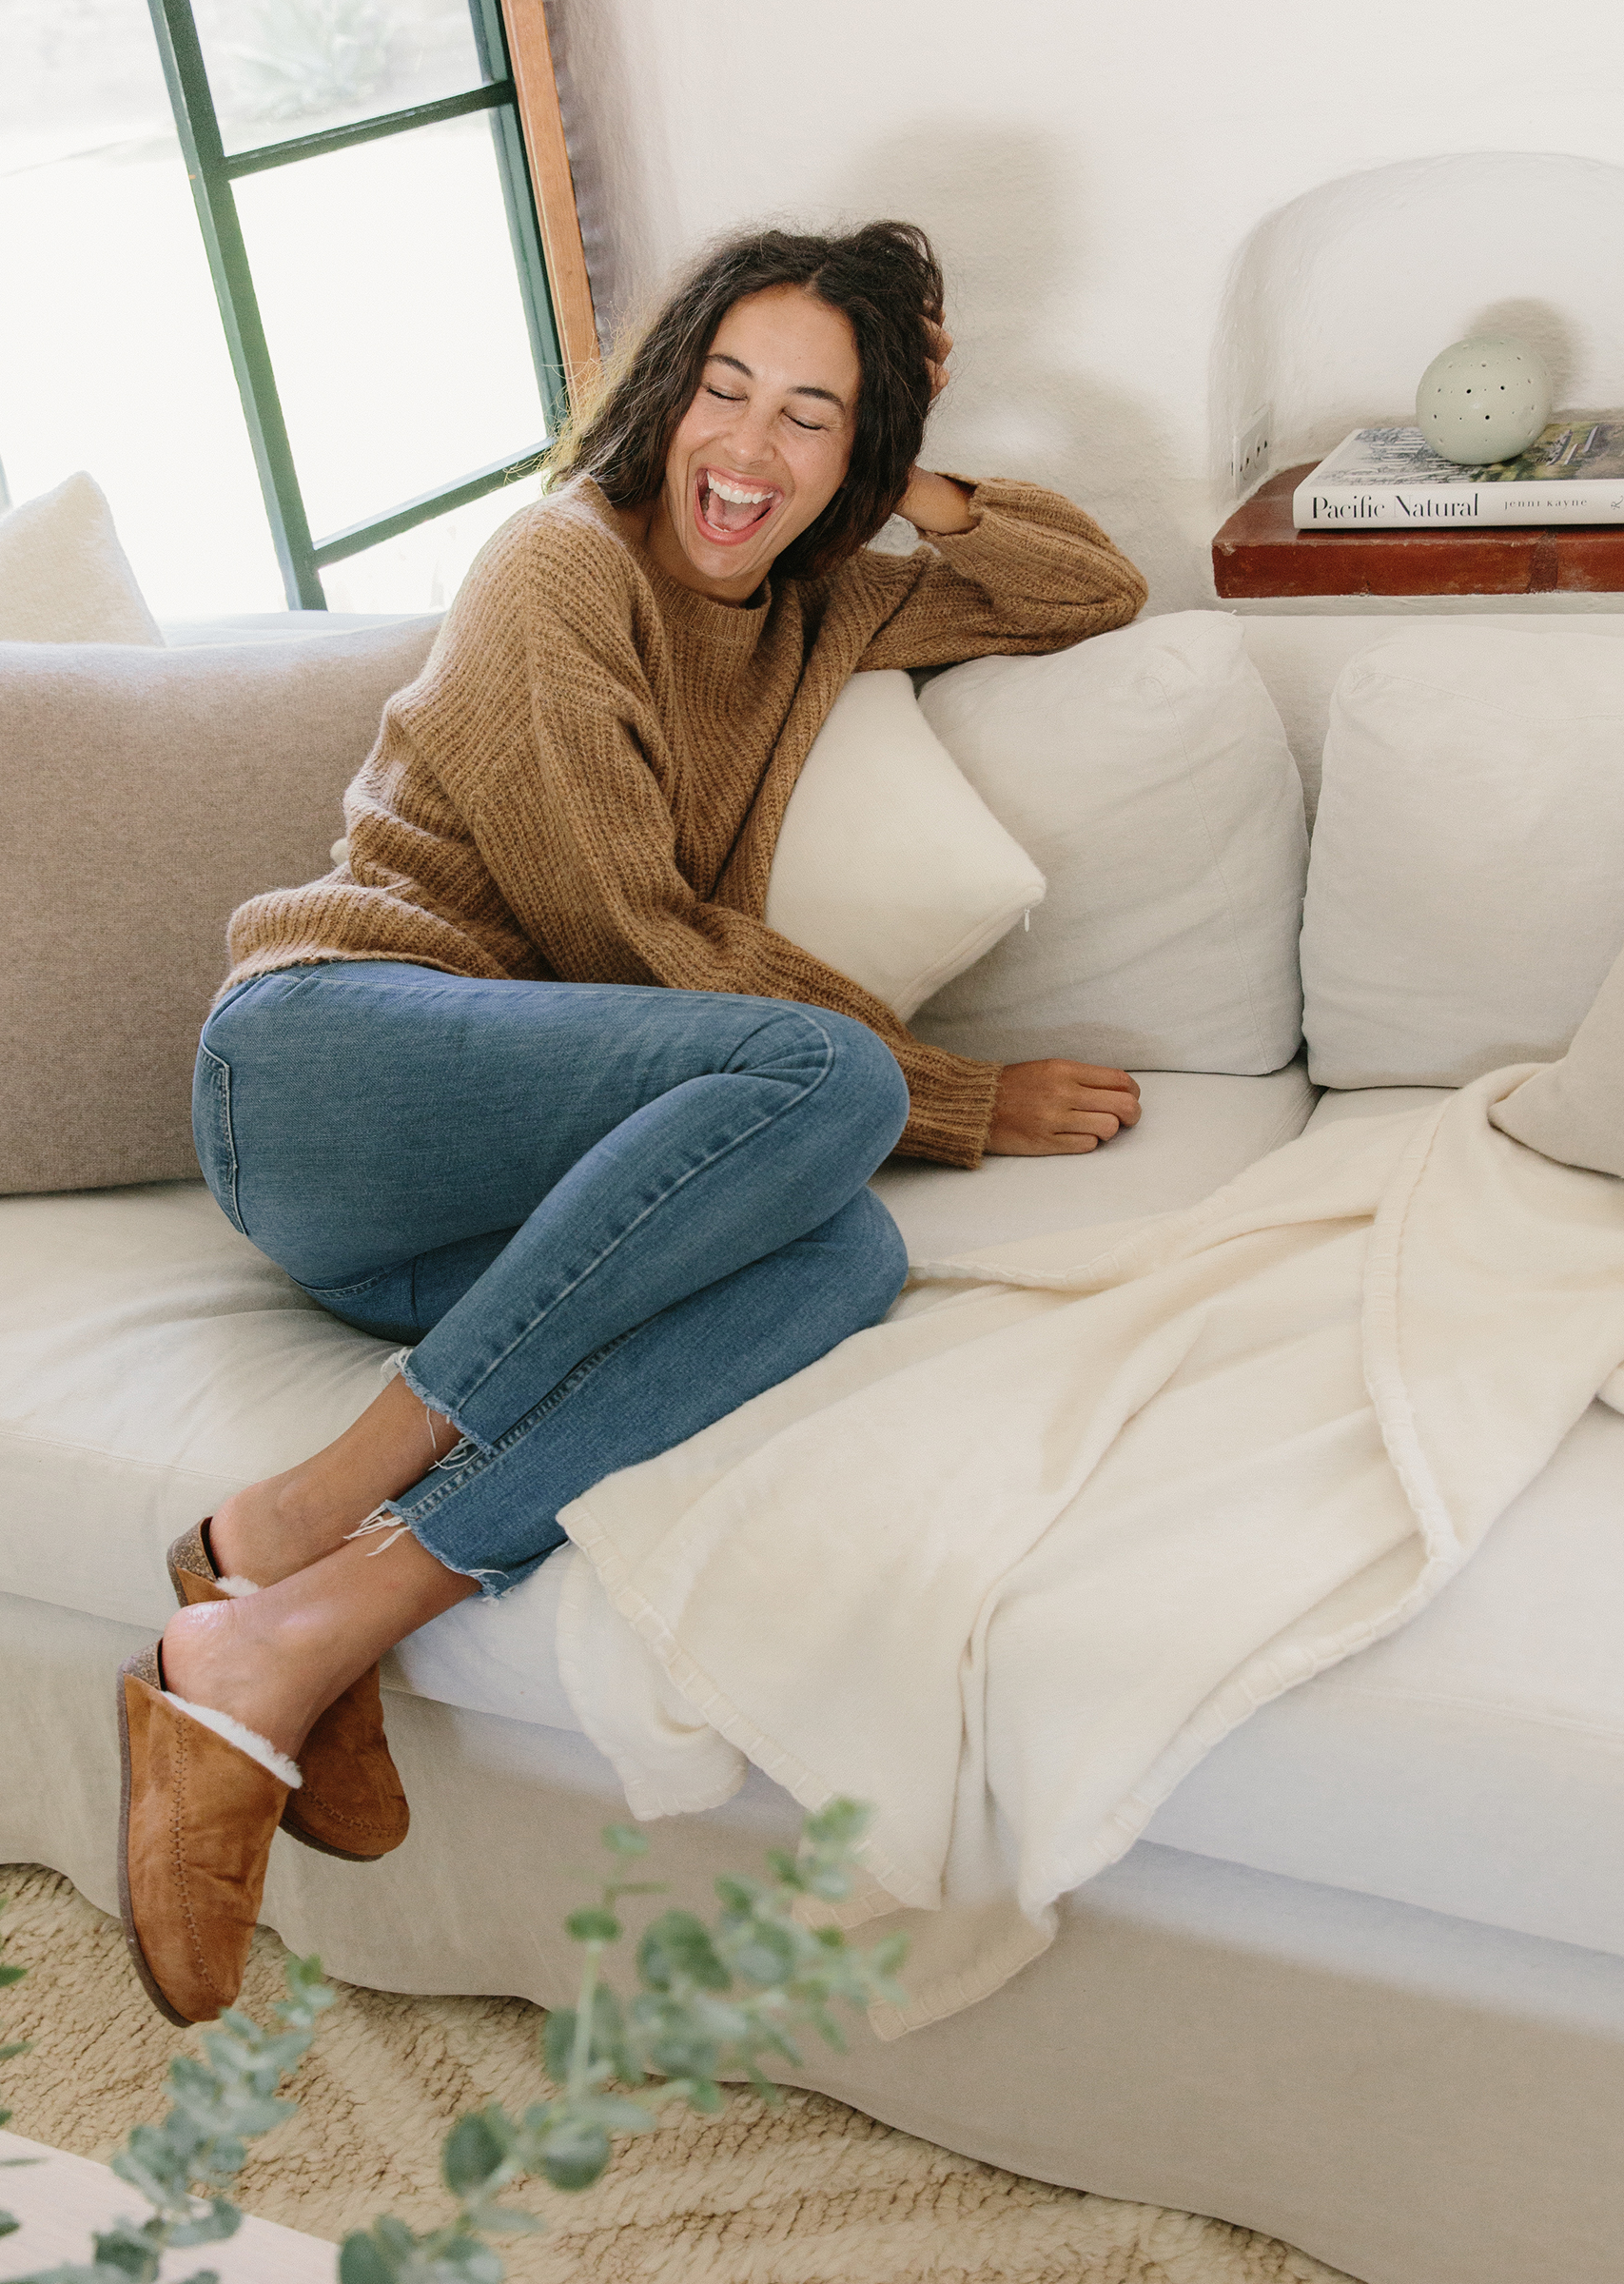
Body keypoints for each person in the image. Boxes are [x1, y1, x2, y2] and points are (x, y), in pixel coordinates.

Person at [115, 219, 1148, 2023]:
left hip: (501, 1185)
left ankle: (303, 1626)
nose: (748, 453)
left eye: (813, 421)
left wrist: (913, 467)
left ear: (860, 460)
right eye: (726, 392)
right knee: (830, 1075)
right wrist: (952, 1096)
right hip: (327, 1069)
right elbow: (627, 938)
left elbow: (1091, 586)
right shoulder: (557, 564)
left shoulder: (833, 595)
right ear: (668, 395)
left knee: (844, 1253)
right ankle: (298, 1511)